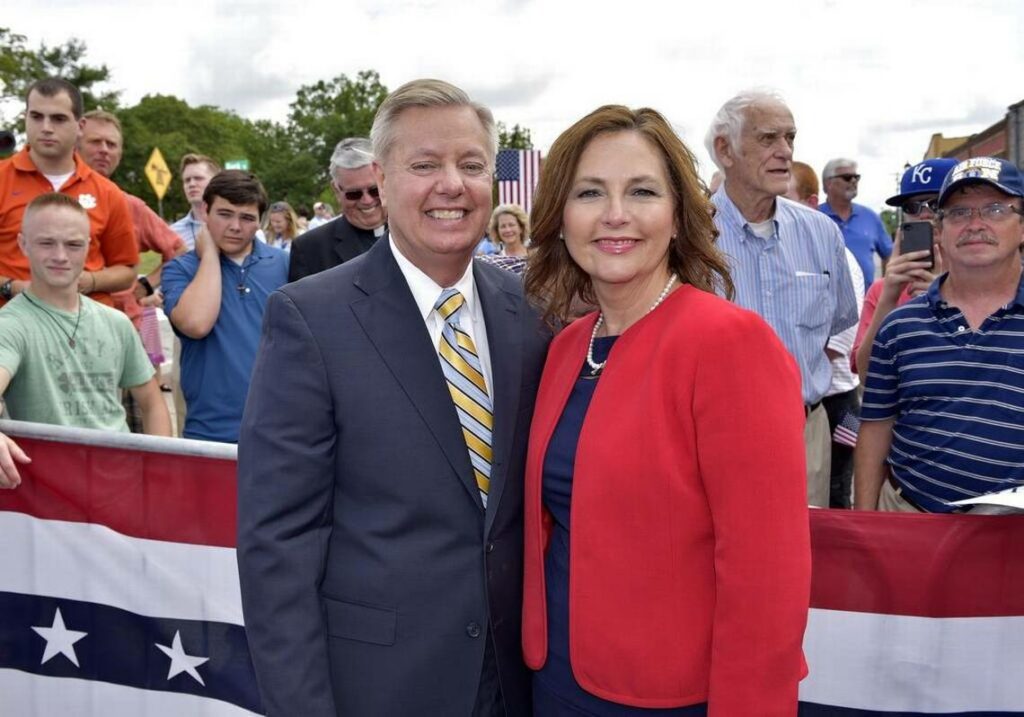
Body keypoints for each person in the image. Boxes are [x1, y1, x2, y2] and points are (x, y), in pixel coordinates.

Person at [237, 79, 549, 716]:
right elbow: (279, 544)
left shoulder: (530, 314)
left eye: (470, 165)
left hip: (517, 684)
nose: (451, 185)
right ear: (380, 180)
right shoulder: (309, 318)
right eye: (425, 165)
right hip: (377, 686)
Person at [521, 105, 809, 715]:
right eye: (590, 192)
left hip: (673, 693)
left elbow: (767, 574)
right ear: (561, 217)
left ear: (678, 216)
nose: (615, 214)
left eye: (642, 191)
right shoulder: (567, 346)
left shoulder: (730, 343)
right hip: (555, 677)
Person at [704, 90, 858, 508]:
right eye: (769, 138)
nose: (785, 151)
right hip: (710, 440)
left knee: (803, 563)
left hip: (804, 435)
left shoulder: (822, 234)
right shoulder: (688, 237)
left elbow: (830, 331)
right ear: (725, 149)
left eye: (790, 138)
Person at [855, 157, 1024, 512]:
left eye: (994, 210)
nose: (975, 225)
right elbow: (875, 427)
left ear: (1021, 226)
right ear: (941, 229)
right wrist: (864, 523)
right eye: (959, 213)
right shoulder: (900, 325)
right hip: (910, 520)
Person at [0, 194, 171, 486]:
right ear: (23, 244)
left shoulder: (115, 322)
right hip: (53, 496)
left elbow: (153, 402)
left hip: (121, 483)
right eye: (46, 243)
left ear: (88, 248)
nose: (60, 255)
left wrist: (161, 465)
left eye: (73, 244)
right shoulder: (11, 325)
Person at [162, 170, 288, 443]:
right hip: (210, 429)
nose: (235, 226)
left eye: (247, 218)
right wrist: (209, 255)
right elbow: (196, 324)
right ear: (205, 211)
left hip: (279, 428)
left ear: (259, 222)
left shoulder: (285, 264)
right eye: (225, 214)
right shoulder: (180, 270)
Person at [0, 77, 138, 308]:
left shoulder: (107, 192)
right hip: (11, 329)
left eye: (58, 119)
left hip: (85, 330)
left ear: (80, 126)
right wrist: (11, 287)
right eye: (36, 116)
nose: (46, 128)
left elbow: (127, 269)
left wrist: (90, 281)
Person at [787, 161, 864, 508]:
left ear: (810, 203)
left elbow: (840, 339)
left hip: (832, 401)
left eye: (785, 201)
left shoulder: (838, 257)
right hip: (797, 402)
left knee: (833, 492)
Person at [851, 158, 956, 379]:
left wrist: (945, 302)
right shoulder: (885, 290)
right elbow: (865, 375)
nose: (924, 214)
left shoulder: (983, 279)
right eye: (912, 207)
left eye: (935, 204)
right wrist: (888, 299)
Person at [288, 137, 387, 281]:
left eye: (374, 190)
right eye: (354, 194)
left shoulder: (415, 231)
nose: (367, 201)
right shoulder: (310, 248)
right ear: (336, 190)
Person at [819, 157, 893, 288]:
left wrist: (884, 291)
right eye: (847, 177)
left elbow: (889, 256)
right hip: (823, 305)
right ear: (828, 183)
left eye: (856, 177)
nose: (853, 181)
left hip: (865, 305)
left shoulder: (870, 217)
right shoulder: (814, 217)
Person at [170, 153, 221, 251]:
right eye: (187, 180)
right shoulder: (174, 232)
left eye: (198, 178)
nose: (192, 184)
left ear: (216, 181)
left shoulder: (232, 226)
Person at [479, 203, 529, 275]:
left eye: (511, 225)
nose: (508, 230)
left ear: (521, 228)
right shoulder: (493, 262)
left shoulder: (535, 258)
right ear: (497, 231)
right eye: (503, 226)